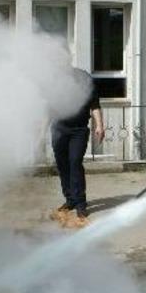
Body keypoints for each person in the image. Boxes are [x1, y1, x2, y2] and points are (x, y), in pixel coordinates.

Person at [50, 67, 105, 223]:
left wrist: (100, 125)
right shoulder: (54, 81)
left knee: (75, 162)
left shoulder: (83, 79)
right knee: (62, 165)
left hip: (79, 130)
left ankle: (81, 203)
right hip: (59, 129)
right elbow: (49, 108)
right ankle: (70, 200)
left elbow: (94, 105)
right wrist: (40, 130)